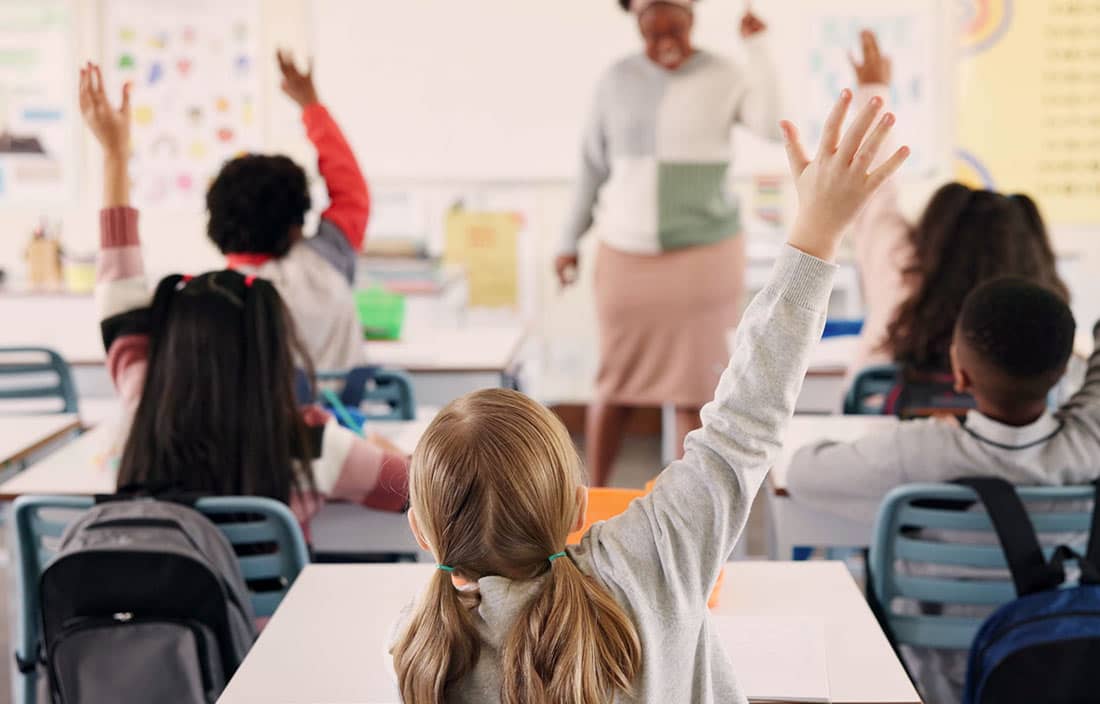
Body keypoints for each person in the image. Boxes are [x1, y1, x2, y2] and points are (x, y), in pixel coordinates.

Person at [390, 90, 909, 703]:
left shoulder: (424, 654)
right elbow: (743, 426)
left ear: (422, 531)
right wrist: (818, 231)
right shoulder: (651, 561)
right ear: (581, 506)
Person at [79, 63, 407, 529]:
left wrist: (114, 153)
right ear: (275, 348)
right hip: (296, 572)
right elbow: (425, 489)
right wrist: (311, 106)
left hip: (147, 599)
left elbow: (118, 290)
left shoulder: (141, 412)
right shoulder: (312, 442)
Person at [787, 277, 1095, 703]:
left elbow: (803, 473)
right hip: (1052, 665)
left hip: (928, 678)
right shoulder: (1088, 445)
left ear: (960, 373)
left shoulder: (917, 450)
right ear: (1063, 373)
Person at [557, 0, 781, 485]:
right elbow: (591, 168)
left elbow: (771, 126)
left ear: (692, 19)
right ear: (636, 24)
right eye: (652, 32)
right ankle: (591, 497)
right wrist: (567, 239)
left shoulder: (724, 74)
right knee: (614, 384)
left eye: (674, 29)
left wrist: (758, 47)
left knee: (692, 388)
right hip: (626, 256)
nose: (665, 44)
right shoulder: (616, 81)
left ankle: (684, 507)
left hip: (704, 255)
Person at [846, 31, 1068, 404]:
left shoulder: (900, 272)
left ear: (932, 234)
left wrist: (872, 90)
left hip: (886, 446)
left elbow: (875, 194)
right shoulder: (1039, 318)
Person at [206, 50, 370, 371]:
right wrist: (310, 106)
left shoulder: (210, 300)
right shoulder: (327, 261)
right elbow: (350, 187)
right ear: (296, 224)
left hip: (253, 423)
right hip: (342, 419)